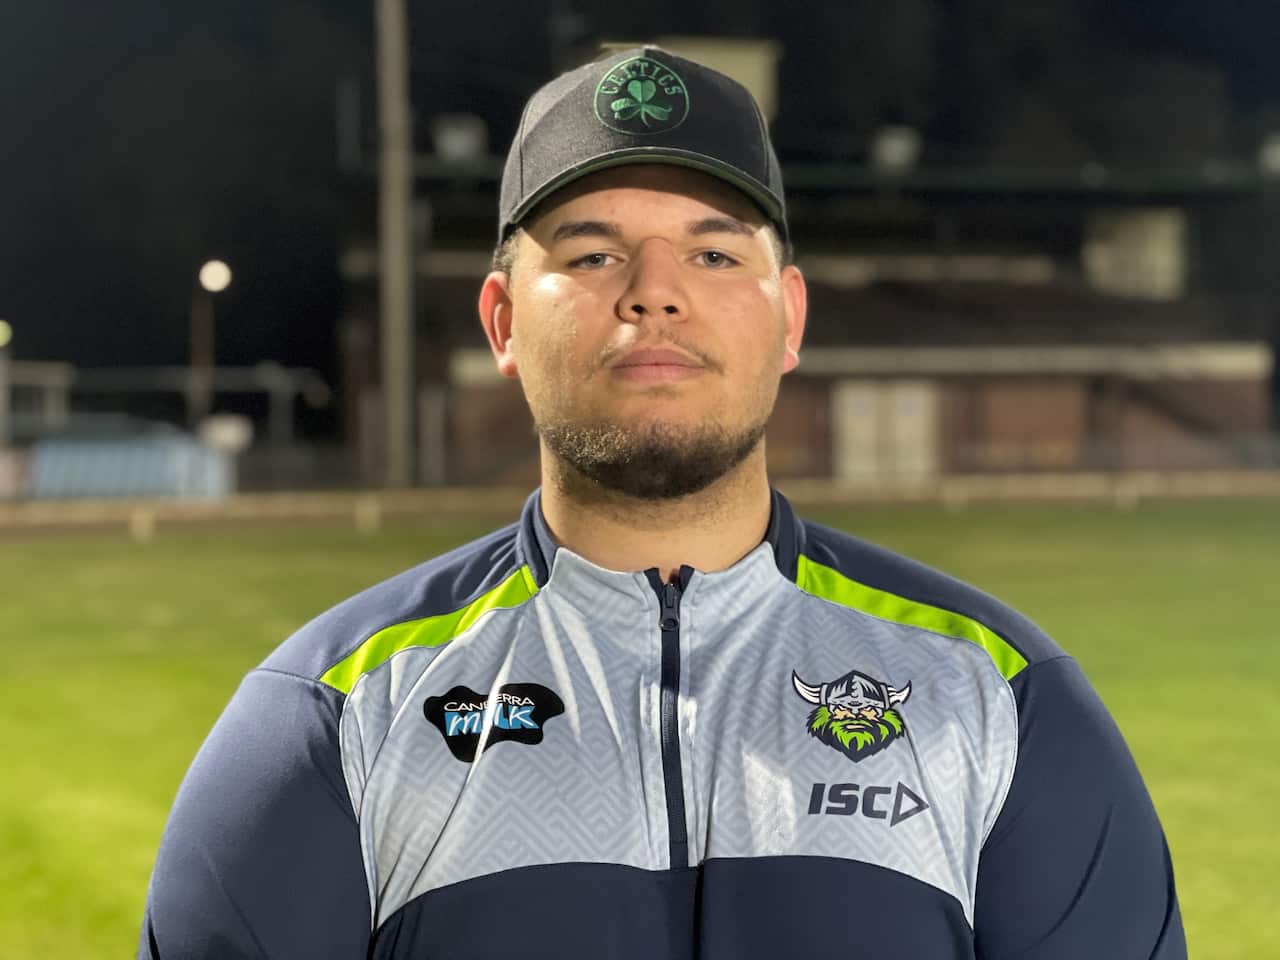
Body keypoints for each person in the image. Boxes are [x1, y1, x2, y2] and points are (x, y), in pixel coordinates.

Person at [139, 46, 1185, 959]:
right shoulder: (334, 717)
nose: (653, 290)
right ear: (502, 323)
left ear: (789, 318)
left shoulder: (996, 698)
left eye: (714, 252)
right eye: (592, 254)